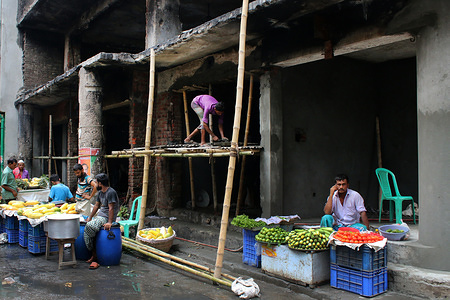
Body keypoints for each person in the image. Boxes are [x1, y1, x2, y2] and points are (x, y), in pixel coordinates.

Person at [84, 173, 119, 269]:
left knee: (89, 227)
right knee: (89, 228)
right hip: (100, 216)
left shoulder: (111, 192)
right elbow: (96, 206)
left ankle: (95, 256)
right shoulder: (100, 193)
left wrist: (110, 222)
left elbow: (111, 208)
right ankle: (94, 254)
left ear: (100, 183)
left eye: (96, 182)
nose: (95, 184)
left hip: (106, 217)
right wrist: (90, 217)